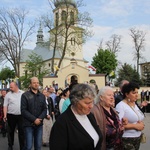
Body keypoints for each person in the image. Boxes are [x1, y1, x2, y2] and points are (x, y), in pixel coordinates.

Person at [49, 83, 103, 150]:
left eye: (92, 102)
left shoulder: (89, 115)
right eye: (87, 103)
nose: (91, 106)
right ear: (75, 101)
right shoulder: (62, 123)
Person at [116, 82, 145, 150]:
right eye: (134, 93)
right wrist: (135, 126)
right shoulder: (121, 106)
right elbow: (118, 125)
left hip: (137, 137)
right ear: (127, 94)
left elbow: (138, 117)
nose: (137, 95)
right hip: (127, 139)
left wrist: (141, 124)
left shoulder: (134, 104)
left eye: (137, 92)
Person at [21, 77, 47, 150]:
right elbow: (23, 110)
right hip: (28, 125)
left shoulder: (42, 96)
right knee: (28, 146)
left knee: (38, 146)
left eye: (37, 83)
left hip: (39, 125)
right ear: (30, 84)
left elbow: (45, 109)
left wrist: (40, 119)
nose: (36, 84)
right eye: (34, 83)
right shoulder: (25, 95)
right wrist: (34, 119)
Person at [3, 82, 24, 150]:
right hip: (11, 115)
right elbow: (5, 106)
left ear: (16, 86)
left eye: (11, 87)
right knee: (10, 131)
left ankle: (22, 146)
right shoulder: (8, 95)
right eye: (10, 87)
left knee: (21, 132)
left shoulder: (23, 93)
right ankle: (10, 145)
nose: (10, 88)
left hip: (21, 116)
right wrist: (5, 115)